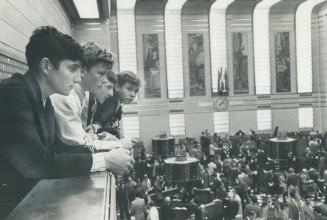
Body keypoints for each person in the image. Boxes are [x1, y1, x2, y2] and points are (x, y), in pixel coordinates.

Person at [0, 26, 133, 218]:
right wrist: (105, 160)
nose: (79, 77)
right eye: (73, 68)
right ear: (46, 66)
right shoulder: (12, 94)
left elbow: (56, 149)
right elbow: (36, 163)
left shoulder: (43, 99)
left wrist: (110, 153)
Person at [51, 41, 133, 152]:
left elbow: (81, 136)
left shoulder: (81, 96)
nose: (104, 80)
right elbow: (80, 145)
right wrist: (119, 144)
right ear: (84, 70)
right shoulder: (67, 97)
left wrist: (100, 137)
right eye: (101, 73)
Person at [92, 70, 141, 138]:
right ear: (117, 87)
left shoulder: (117, 103)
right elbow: (97, 126)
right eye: (129, 89)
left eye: (135, 91)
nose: (133, 95)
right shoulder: (110, 101)